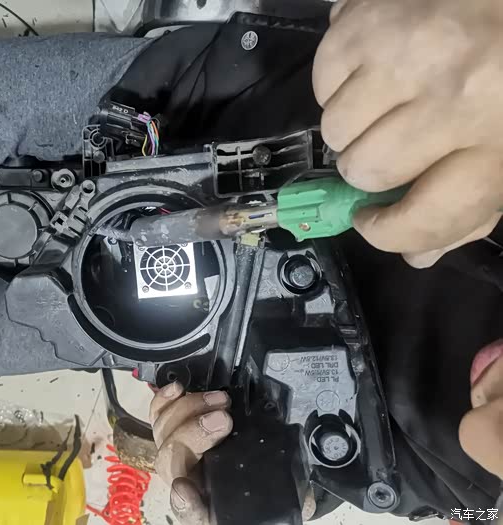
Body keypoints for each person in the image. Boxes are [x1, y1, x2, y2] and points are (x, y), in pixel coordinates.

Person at [0, 0, 503, 522]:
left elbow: (391, 477)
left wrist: (273, 483)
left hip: (183, 329)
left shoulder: (481, 486)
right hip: (205, 119)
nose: (480, 417)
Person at [151, 0, 503, 523]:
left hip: (173, 266)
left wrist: (290, 476)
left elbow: (428, 487)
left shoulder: (480, 493)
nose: (477, 430)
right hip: (232, 85)